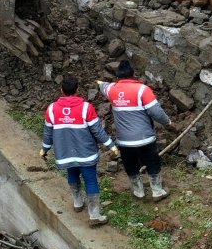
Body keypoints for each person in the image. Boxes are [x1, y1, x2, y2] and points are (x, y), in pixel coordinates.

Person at [41, 74, 119, 226]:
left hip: (65, 154)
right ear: (77, 90)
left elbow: (48, 133)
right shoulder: (86, 108)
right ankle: (94, 214)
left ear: (61, 90)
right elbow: (97, 131)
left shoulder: (51, 110)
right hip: (86, 153)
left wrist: (44, 149)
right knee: (90, 180)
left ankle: (77, 202)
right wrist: (111, 145)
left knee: (72, 173)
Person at [99, 59, 172, 201]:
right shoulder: (143, 90)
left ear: (118, 76)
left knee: (130, 164)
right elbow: (156, 112)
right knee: (152, 162)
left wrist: (99, 83)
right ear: (133, 75)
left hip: (124, 141)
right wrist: (168, 122)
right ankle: (157, 191)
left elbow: (102, 86)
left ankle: (139, 191)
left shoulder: (111, 90)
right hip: (145, 138)